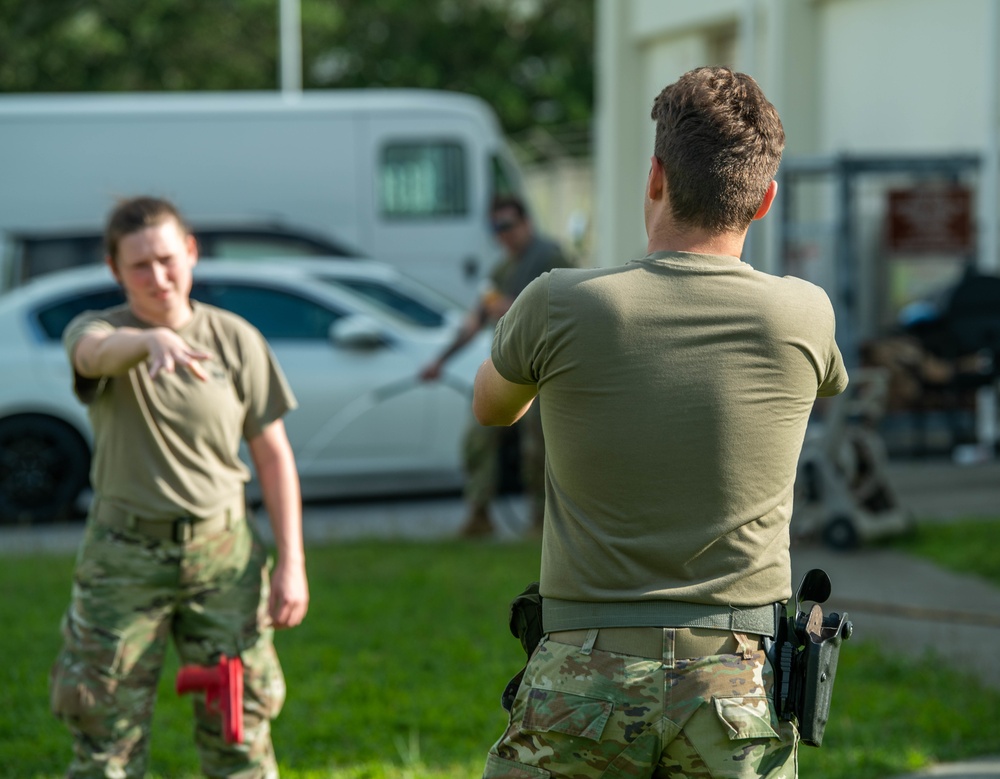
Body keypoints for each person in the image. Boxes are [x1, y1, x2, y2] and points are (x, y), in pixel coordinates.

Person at [472, 67, 849, 778]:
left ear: (654, 177)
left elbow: (492, 405)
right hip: (736, 686)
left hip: (583, 674)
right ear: (765, 200)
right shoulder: (805, 312)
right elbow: (822, 382)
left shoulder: (558, 301)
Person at [49, 196, 309, 778]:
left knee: (238, 728)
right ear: (115, 270)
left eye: (168, 258)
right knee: (104, 738)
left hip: (222, 560)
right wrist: (148, 343)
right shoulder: (101, 332)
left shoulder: (235, 339)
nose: (158, 276)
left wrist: (292, 563)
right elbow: (91, 355)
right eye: (139, 265)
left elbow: (273, 456)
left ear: (191, 252)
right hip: (123, 561)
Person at [421, 194, 570, 538]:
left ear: (525, 223)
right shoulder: (501, 269)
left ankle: (542, 523)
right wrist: (439, 362)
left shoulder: (549, 255)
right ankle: (479, 515)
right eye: (495, 227)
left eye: (507, 224)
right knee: (479, 435)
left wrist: (514, 307)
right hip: (514, 370)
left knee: (539, 448)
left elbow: (570, 305)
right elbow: (474, 320)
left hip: (548, 370)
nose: (502, 233)